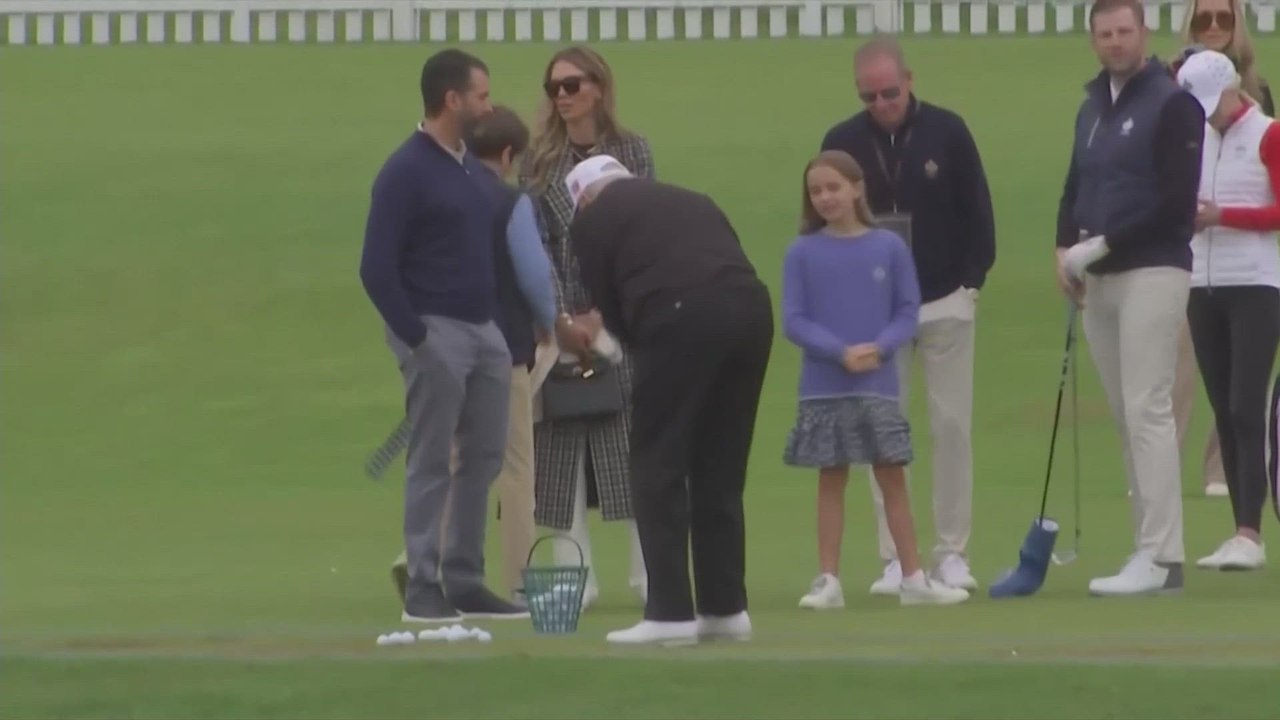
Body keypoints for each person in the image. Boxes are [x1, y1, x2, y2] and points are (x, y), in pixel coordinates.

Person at [560, 155, 774, 646]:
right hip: (751, 311)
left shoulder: (593, 218)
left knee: (657, 464)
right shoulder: (691, 198)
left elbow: (610, 306)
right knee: (719, 467)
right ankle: (725, 609)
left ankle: (670, 613)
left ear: (584, 197)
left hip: (680, 316)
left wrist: (615, 344)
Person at [819, 36, 996, 596]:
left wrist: (972, 281)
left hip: (945, 296)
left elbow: (978, 211)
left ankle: (951, 553)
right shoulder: (842, 142)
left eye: (889, 92)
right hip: (874, 312)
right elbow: (829, 220)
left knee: (950, 428)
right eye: (869, 96)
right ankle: (896, 557)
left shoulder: (948, 130)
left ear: (910, 80)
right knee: (884, 433)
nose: (881, 104)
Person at [359, 49, 527, 623]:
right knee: (432, 458)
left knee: (481, 457)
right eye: (481, 95)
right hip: (435, 331)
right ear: (452, 100)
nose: (489, 104)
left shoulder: (465, 170)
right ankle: (424, 586)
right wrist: (417, 341)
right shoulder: (404, 171)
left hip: (485, 332)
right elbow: (376, 268)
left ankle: (463, 579)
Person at [1055, 0, 1205, 596]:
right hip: (1098, 275)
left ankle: (1162, 555)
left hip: (1152, 268)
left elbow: (1175, 203)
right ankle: (1146, 544)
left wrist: (1102, 245)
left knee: (1148, 406)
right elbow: (1075, 185)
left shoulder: (1173, 104)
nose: (1114, 42)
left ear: (1143, 34)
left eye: (1124, 31)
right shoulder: (1092, 106)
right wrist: (1062, 247)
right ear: (1093, 40)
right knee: (1124, 413)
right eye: (1104, 34)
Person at [782, 150, 971, 609]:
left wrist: (880, 347)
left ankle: (913, 577)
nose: (825, 198)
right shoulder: (803, 251)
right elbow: (795, 319)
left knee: (891, 474)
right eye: (816, 191)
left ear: (856, 188)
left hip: (877, 382)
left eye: (833, 187)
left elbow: (907, 311)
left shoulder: (888, 247)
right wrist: (839, 352)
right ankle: (828, 579)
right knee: (832, 474)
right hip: (826, 382)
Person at [387, 106, 559, 604]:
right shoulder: (507, 202)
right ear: (507, 155)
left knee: (448, 455)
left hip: (438, 342)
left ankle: (421, 560)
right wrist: (550, 324)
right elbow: (532, 276)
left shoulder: (440, 192)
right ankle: (520, 581)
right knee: (512, 469)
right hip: (500, 348)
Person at [518, 45, 653, 609]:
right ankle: (576, 577)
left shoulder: (632, 150)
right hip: (556, 321)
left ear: (598, 86)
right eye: (555, 87)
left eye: (573, 84)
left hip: (620, 316)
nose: (563, 97)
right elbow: (532, 244)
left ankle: (652, 575)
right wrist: (558, 317)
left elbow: (645, 226)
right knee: (559, 452)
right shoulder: (537, 161)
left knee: (633, 445)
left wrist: (609, 312)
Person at [1177, 50, 1279, 571]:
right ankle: (1241, 534)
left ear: (1232, 88)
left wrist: (1222, 216)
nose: (1207, 113)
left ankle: (1250, 531)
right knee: (1223, 406)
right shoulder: (1198, 138)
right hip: (1203, 284)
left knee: (1245, 406)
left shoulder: (1268, 133)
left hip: (1257, 284)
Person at [1167, 0, 1274, 499]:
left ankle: (1222, 471)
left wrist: (1224, 214)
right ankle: (1161, 463)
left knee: (1239, 387)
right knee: (1181, 365)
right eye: (1202, 19)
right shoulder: (1172, 86)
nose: (1212, 28)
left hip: (1247, 265)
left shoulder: (1258, 96)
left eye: (1222, 19)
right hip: (1189, 258)